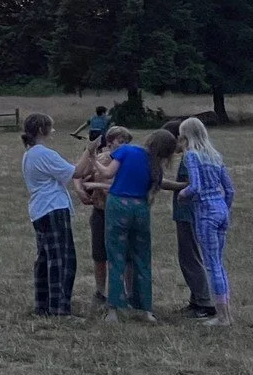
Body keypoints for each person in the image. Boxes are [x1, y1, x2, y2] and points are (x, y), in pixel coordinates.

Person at [91, 129, 175, 323]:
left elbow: (107, 173)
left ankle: (114, 309)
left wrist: (92, 158)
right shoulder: (156, 165)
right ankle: (145, 308)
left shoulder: (127, 150)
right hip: (141, 208)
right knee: (142, 258)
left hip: (118, 205)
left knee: (116, 256)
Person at [20, 112, 81, 319]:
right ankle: (60, 309)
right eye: (49, 127)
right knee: (62, 260)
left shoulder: (30, 154)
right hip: (53, 208)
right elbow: (77, 172)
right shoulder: (44, 154)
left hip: (40, 210)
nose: (52, 131)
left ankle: (43, 305)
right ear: (41, 130)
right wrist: (90, 152)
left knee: (45, 259)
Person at [178, 117, 235, 327]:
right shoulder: (215, 156)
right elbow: (230, 190)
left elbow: (195, 187)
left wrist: (182, 194)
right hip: (221, 210)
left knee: (212, 265)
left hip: (206, 212)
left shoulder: (192, 156)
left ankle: (222, 317)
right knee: (218, 264)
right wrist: (224, 208)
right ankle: (226, 313)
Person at [164, 122, 216, 319]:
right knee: (189, 256)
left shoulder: (189, 158)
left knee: (190, 257)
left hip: (188, 214)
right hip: (192, 213)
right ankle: (196, 300)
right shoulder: (201, 154)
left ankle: (204, 303)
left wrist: (164, 184)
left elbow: (191, 184)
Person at [71, 134, 113, 305]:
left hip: (118, 212)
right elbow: (77, 174)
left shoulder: (126, 159)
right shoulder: (100, 158)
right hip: (100, 210)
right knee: (99, 254)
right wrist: (80, 190)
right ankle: (100, 292)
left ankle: (122, 292)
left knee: (122, 256)